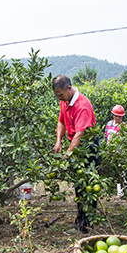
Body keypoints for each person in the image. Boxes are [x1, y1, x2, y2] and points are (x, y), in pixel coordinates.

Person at [53, 75, 98, 233]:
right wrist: (59, 140)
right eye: (57, 95)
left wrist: (68, 154)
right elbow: (61, 121)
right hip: (76, 146)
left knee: (88, 187)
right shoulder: (64, 100)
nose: (60, 98)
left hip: (88, 147)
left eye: (61, 94)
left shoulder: (82, 105)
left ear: (69, 88)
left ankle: (86, 226)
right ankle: (80, 222)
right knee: (79, 187)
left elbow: (80, 135)